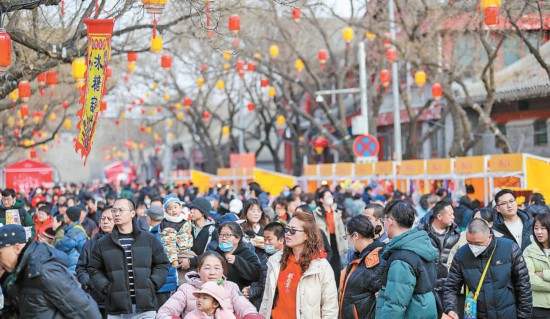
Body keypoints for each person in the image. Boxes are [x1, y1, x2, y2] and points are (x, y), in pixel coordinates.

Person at [88, 197, 170, 318]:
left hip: (145, 306)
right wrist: (108, 288)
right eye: (114, 210)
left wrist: (152, 284)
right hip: (116, 308)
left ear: (132, 213)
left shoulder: (149, 239)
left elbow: (162, 264)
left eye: (121, 210)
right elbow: (94, 269)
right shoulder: (102, 243)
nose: (117, 213)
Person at [0, 224, 102, 318]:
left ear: (17, 248)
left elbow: (86, 310)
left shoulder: (44, 271)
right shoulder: (21, 270)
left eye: (0, 253)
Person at [444, 218, 532, 319]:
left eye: (478, 244)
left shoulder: (510, 248)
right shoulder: (461, 255)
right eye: (469, 242)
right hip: (477, 314)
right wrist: (451, 308)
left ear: (490, 237)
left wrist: (523, 316)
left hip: (507, 313)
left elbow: (523, 287)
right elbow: (451, 287)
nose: (473, 247)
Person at [259, 211, 338, 319]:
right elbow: (267, 299)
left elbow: (330, 308)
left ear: (307, 235)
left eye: (293, 231)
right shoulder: (275, 260)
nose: (288, 233)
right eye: (287, 229)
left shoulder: (321, 266)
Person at [375, 200, 438, 319]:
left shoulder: (401, 258)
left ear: (390, 221)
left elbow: (395, 305)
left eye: (383, 220)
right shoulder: (421, 244)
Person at [156, 252, 258, 318]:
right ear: (199, 271)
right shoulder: (186, 289)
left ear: (223, 271)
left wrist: (252, 316)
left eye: (217, 268)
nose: (212, 272)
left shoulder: (231, 287)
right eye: (207, 268)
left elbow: (246, 308)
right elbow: (164, 313)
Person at [416, 200, 460, 315]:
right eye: (450, 214)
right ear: (439, 216)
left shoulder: (456, 234)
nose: (453, 217)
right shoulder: (421, 233)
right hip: (426, 288)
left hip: (450, 289)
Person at [339, 215, 386, 319]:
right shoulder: (359, 256)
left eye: (347, 236)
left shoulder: (376, 259)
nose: (347, 241)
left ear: (355, 235)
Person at [76, 207, 115, 317]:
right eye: (103, 218)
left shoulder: (123, 242)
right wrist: (89, 282)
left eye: (109, 219)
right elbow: (80, 267)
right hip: (94, 298)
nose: (105, 221)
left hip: (117, 300)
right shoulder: (90, 243)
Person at [243, 222, 285, 310]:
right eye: (264, 239)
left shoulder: (286, 259)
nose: (266, 242)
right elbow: (263, 285)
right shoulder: (265, 258)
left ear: (281, 240)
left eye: (269, 239)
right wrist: (251, 290)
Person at [214, 222, 260, 290]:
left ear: (238, 238)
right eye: (221, 235)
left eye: (228, 235)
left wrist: (237, 261)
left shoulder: (248, 254)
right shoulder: (215, 252)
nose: (223, 238)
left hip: (239, 295)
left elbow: (256, 274)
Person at [313, 190, 346, 284]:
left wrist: (344, 246)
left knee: (337, 267)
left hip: (336, 241)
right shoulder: (317, 213)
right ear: (321, 199)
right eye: (327, 197)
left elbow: (341, 230)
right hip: (325, 241)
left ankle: (337, 287)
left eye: (330, 196)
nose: (330, 198)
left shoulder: (336, 212)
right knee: (327, 264)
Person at [523, 212, 550, 318]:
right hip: (538, 307)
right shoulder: (528, 251)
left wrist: (543, 274)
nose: (539, 232)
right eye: (536, 228)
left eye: (543, 228)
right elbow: (529, 279)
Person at [185, 198, 218, 270]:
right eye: (191, 209)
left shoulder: (212, 231)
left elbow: (212, 252)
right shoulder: (186, 227)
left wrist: (192, 261)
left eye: (194, 209)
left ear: (203, 212)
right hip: (184, 267)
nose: (191, 211)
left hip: (202, 269)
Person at [55, 205, 89, 274]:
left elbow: (61, 245)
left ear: (70, 217)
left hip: (73, 268)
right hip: (74, 266)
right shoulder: (76, 228)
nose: (64, 216)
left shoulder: (75, 232)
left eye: (66, 214)